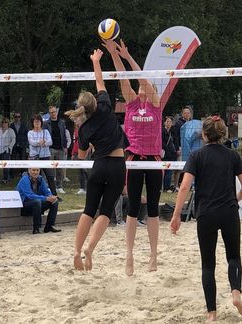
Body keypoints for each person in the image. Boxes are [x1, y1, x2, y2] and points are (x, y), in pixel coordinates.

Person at [170, 116, 242, 322]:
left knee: (208, 265)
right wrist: (235, 199)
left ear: (204, 135)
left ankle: (212, 313)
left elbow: (185, 186)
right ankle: (236, 294)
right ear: (223, 134)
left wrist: (177, 214)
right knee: (234, 257)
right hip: (229, 212)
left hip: (206, 213)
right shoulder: (232, 156)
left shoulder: (196, 156)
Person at [104, 39, 163, 276]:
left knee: (154, 209)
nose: (141, 88)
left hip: (153, 159)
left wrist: (128, 56)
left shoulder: (156, 104)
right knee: (133, 207)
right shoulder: (130, 104)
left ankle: (153, 255)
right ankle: (129, 255)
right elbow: (122, 77)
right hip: (134, 158)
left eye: (145, 86)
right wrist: (114, 54)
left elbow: (140, 78)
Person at [64, 48, 126, 271]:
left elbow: (81, 156)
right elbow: (99, 80)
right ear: (95, 102)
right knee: (106, 211)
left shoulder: (84, 128)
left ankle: (76, 251)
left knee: (88, 210)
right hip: (117, 165)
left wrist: (89, 143)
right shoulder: (106, 107)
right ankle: (90, 248)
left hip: (98, 166)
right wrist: (96, 60)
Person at [16, 168, 61, 234]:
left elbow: (46, 191)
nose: (35, 172)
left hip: (37, 203)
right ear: (29, 170)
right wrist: (46, 198)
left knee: (55, 202)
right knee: (37, 202)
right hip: (24, 205)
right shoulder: (24, 179)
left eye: (37, 170)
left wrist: (51, 197)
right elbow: (30, 195)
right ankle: (36, 228)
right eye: (33, 170)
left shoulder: (40, 178)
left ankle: (49, 226)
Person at [28, 114, 58, 195]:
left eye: (38, 121)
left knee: (50, 176)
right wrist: (39, 142)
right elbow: (31, 142)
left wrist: (44, 143)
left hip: (45, 157)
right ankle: (37, 194)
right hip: (34, 157)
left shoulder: (46, 131)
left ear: (41, 122)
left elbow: (50, 142)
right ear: (33, 123)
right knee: (35, 177)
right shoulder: (30, 132)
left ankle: (54, 194)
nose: (37, 123)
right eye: (35, 121)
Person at [43, 106, 68, 193]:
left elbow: (64, 135)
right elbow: (44, 135)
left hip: (60, 148)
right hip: (50, 148)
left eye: (54, 112)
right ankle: (47, 186)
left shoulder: (61, 122)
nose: (53, 113)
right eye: (51, 112)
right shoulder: (46, 123)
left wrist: (65, 147)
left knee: (60, 169)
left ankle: (59, 186)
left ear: (56, 112)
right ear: (49, 113)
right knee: (49, 168)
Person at [171, 106, 192, 187]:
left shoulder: (192, 123)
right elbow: (175, 137)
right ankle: (176, 185)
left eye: (188, 113)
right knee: (179, 167)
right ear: (182, 114)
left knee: (188, 167)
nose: (187, 114)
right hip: (181, 148)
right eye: (185, 113)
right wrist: (177, 148)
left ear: (190, 114)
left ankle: (185, 185)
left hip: (189, 148)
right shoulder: (178, 123)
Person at [10, 112, 29, 178]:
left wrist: (26, 144)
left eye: (18, 116)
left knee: (23, 159)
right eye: (16, 117)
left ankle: (23, 173)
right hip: (14, 145)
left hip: (22, 145)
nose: (17, 118)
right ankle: (11, 174)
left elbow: (27, 135)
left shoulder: (24, 125)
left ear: (20, 117)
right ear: (14, 117)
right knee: (12, 159)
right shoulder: (11, 126)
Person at [0, 117, 16, 183]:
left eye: (6, 122)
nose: (4, 124)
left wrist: (10, 147)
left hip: (6, 150)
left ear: (8, 123)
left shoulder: (11, 130)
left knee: (5, 165)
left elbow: (13, 140)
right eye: (3, 122)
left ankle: (5, 179)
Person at [162, 117, 178, 192]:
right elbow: (161, 142)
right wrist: (167, 149)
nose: (168, 123)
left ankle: (167, 186)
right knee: (166, 170)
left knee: (169, 171)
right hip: (165, 155)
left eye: (170, 121)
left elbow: (176, 142)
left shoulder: (173, 132)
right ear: (164, 123)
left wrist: (176, 150)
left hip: (172, 154)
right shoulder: (162, 131)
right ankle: (165, 187)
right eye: (167, 121)